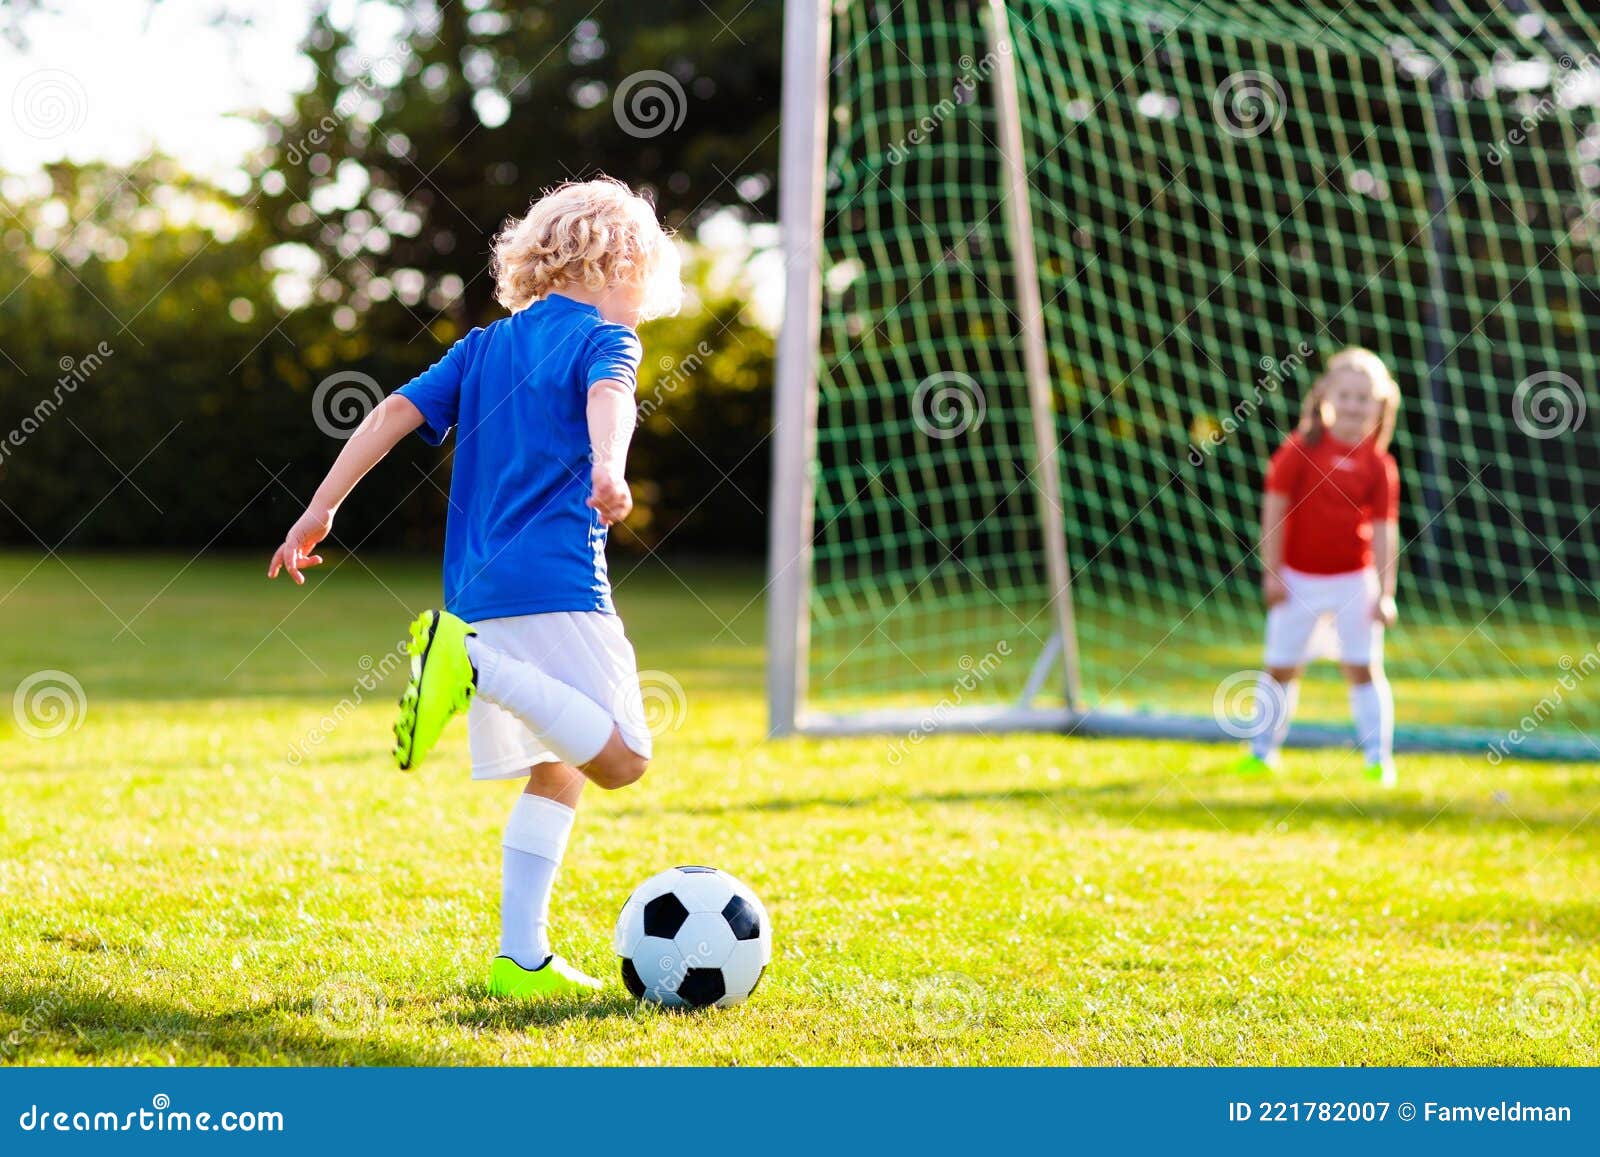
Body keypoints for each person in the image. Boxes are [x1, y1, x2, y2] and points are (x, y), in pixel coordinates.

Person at [268, 176, 682, 996]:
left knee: (558, 767)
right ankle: (471, 669)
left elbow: (389, 412)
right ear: (617, 262)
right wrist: (609, 464)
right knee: (626, 759)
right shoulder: (605, 338)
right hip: (559, 581)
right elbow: (613, 398)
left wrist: (319, 508)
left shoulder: (485, 347)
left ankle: (519, 958)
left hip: (477, 594)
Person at [1233, 347, 1401, 786]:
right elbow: (1273, 511)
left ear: (1379, 405)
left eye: (1363, 398)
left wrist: (1385, 593)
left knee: (1363, 669)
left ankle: (1378, 760)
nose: (1353, 405)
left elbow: (1385, 532)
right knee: (1281, 668)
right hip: (1297, 580)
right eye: (1345, 395)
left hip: (1353, 582)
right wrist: (1272, 572)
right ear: (1326, 395)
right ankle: (1260, 752)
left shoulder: (1380, 466)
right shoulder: (1297, 451)